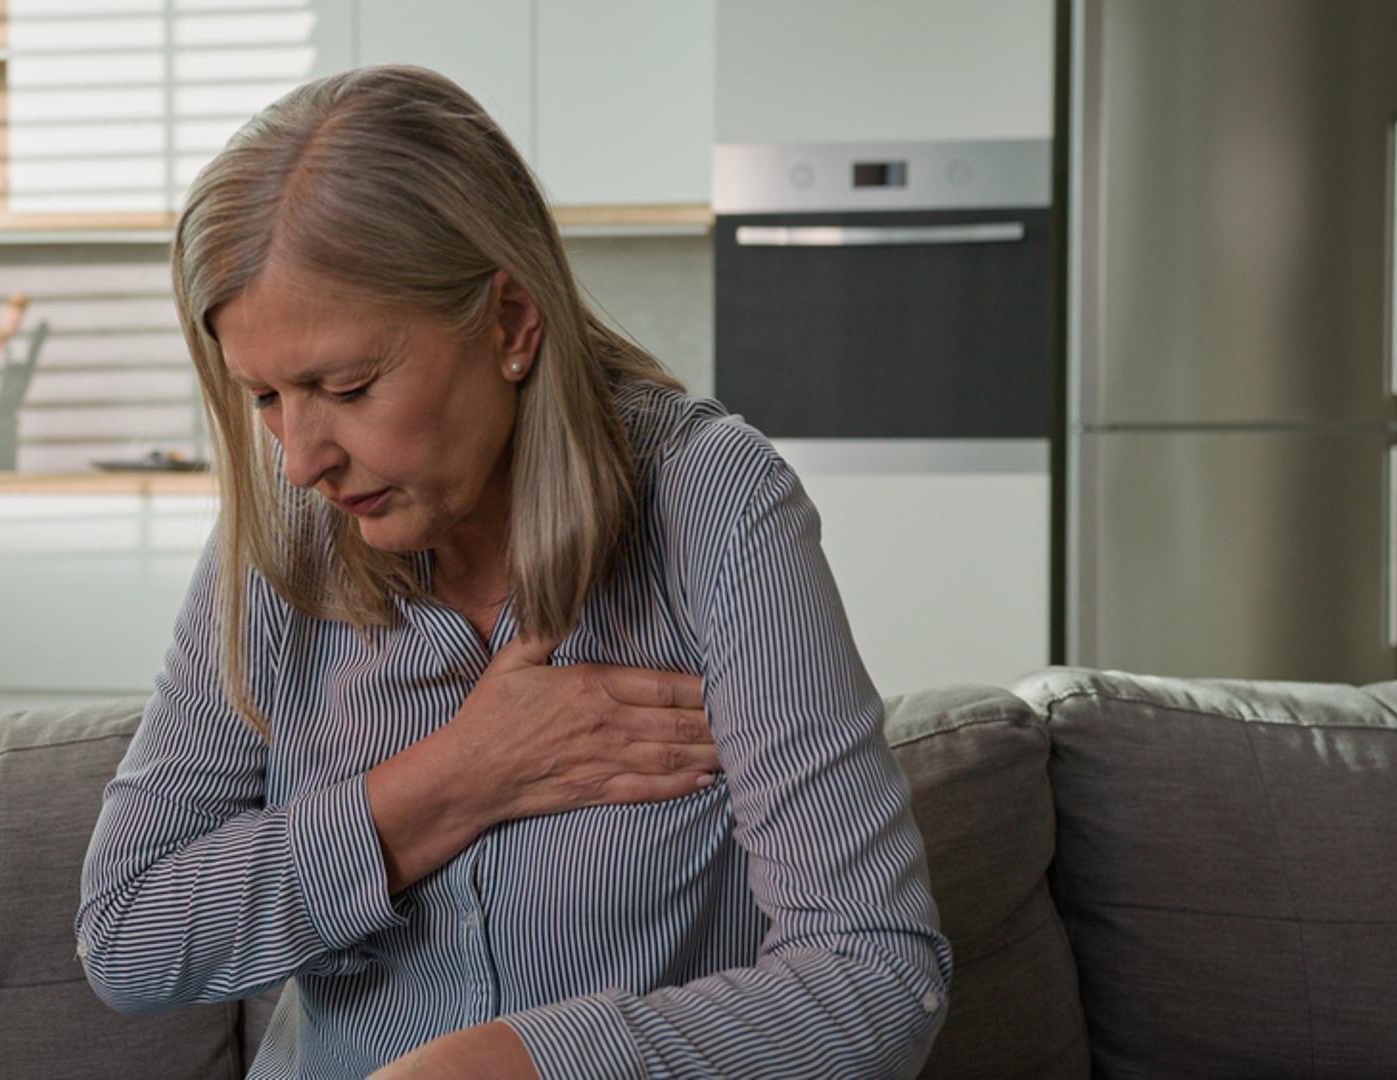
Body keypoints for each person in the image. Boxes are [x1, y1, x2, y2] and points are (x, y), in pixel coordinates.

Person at [76, 64, 952, 1079]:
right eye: (265, 396)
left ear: (509, 324)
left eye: (345, 386)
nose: (297, 458)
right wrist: (453, 779)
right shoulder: (286, 540)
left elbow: (877, 976)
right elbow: (128, 936)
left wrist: (518, 1065)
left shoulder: (711, 504)